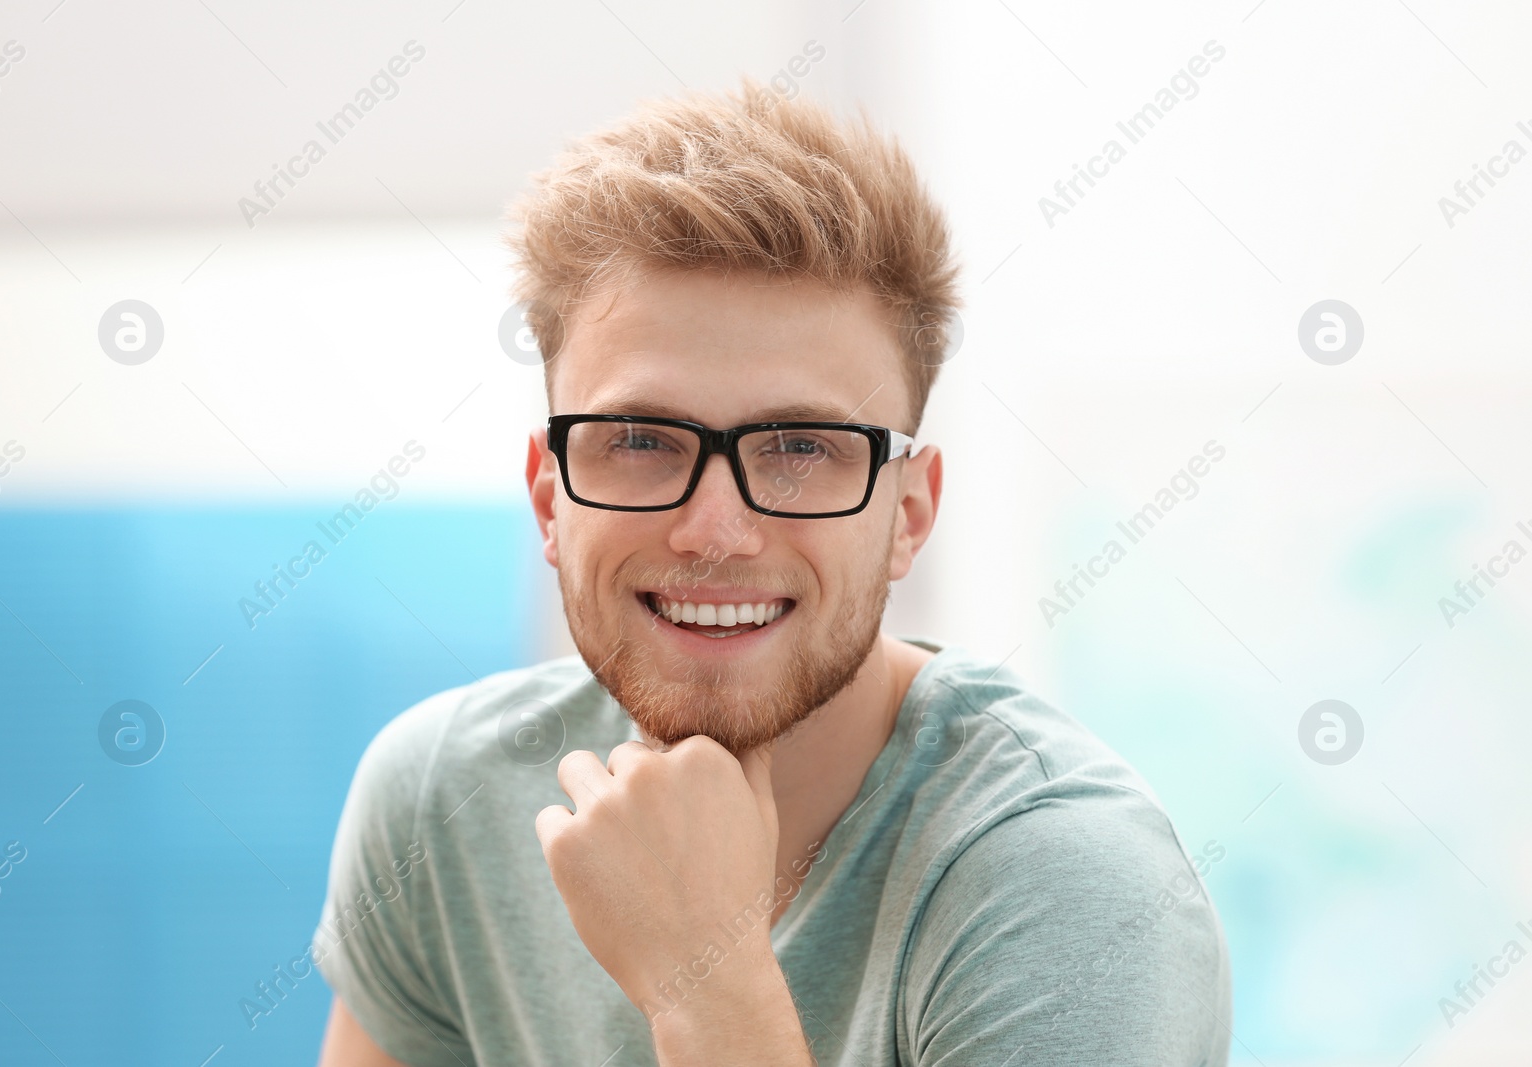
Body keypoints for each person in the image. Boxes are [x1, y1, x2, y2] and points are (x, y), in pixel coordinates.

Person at [313, 78, 1231, 1066]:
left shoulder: (1074, 888)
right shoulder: (437, 802)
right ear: (548, 496)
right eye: (639, 439)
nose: (717, 529)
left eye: (800, 446)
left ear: (907, 514)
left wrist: (704, 981)